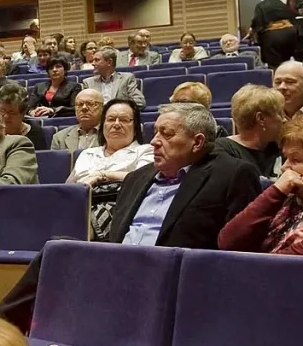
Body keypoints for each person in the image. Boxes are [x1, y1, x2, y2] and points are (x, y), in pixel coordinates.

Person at [107, 103, 262, 248]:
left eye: (166, 134)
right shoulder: (135, 178)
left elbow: (240, 248)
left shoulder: (234, 174)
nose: (154, 141)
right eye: (155, 133)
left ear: (197, 142)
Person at [220, 112, 303, 256]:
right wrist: (275, 192)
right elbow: (227, 241)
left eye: (295, 160)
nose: (284, 167)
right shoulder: (283, 196)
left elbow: (286, 263)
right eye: (285, 158)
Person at [214, 84, 286, 178]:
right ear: (261, 119)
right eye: (280, 113)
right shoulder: (223, 152)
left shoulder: (280, 146)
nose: (284, 119)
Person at [252, 0, 300, 69]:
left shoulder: (260, 6)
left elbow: (257, 22)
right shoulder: (284, 5)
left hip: (272, 36)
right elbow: (294, 20)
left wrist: (256, 33)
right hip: (290, 34)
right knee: (287, 61)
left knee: (274, 65)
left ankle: (277, 80)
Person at [0, 82, 48, 152]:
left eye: (11, 112)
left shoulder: (36, 134)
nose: (6, 116)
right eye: (2, 111)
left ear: (23, 114)